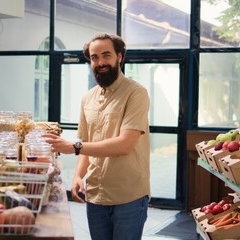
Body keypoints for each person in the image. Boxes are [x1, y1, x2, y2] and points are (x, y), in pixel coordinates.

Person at [44, 33, 151, 240]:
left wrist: (73, 147)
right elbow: (87, 142)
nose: (100, 62)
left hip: (128, 196)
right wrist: (77, 176)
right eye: (94, 57)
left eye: (106, 55)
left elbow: (125, 144)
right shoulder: (87, 98)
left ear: (119, 56)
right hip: (95, 196)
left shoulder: (136, 93)